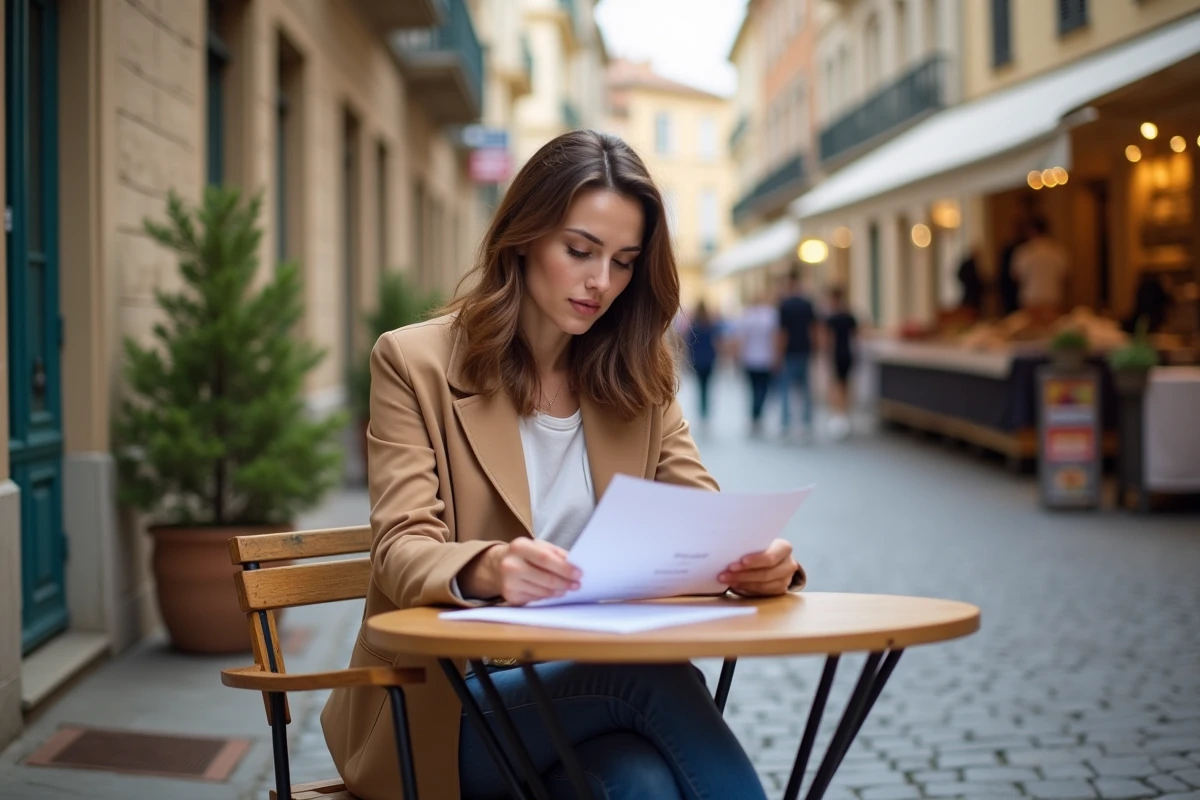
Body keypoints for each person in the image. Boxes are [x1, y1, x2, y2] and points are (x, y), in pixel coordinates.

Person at [321, 130, 806, 800]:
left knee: (638, 781)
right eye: (579, 250)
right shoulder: (414, 364)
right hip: (442, 707)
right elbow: (401, 551)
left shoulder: (639, 377)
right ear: (523, 236)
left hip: (584, 700)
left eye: (624, 261)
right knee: (652, 679)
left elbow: (701, 519)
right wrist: (490, 567)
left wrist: (760, 560)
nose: (600, 282)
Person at [777, 267, 818, 440]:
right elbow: (813, 328)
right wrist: (815, 347)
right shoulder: (807, 303)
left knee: (786, 388)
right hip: (804, 349)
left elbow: (782, 333)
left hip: (789, 352)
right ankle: (806, 424)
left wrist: (778, 353)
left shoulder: (784, 305)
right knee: (806, 389)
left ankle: (786, 424)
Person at [735, 291, 780, 436]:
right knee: (763, 389)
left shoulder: (747, 315)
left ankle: (755, 416)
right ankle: (758, 415)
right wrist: (776, 356)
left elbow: (742, 339)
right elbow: (774, 337)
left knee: (753, 389)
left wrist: (739, 357)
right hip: (766, 358)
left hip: (750, 359)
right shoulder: (770, 315)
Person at [1011, 217, 1069, 321]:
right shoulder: (1058, 251)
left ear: (1031, 231)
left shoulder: (1024, 251)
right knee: (1051, 332)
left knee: (1033, 333)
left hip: (1031, 297)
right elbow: (1064, 276)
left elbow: (1017, 276)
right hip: (1052, 297)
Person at [824, 287, 858, 440]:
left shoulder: (831, 318)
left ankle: (838, 416)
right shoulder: (849, 316)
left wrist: (825, 355)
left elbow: (828, 339)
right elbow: (857, 336)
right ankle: (844, 414)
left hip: (836, 354)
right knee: (845, 384)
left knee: (836, 385)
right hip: (848, 353)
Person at [685, 301, 721, 427]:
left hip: (698, 361)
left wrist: (688, 360)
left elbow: (689, 345)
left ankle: (702, 413)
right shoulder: (711, 326)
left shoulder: (694, 327)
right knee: (707, 388)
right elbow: (716, 343)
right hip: (709, 360)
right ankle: (705, 413)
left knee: (700, 388)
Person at [956, 248, 983, 316]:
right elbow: (959, 275)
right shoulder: (967, 264)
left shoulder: (976, 264)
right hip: (969, 294)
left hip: (976, 295)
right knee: (968, 312)